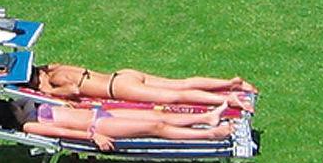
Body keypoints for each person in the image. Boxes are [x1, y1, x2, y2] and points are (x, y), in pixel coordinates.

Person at [11, 92, 237, 152]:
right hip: (98, 126)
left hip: (98, 113)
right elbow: (62, 132)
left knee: (160, 116)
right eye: (15, 109)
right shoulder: (29, 126)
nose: (19, 106)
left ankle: (206, 117)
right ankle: (209, 134)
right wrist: (92, 136)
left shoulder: (31, 108)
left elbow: (18, 94)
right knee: (155, 128)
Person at [33, 63, 253, 105]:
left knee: (176, 97)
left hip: (117, 89)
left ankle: (227, 98)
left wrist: (51, 91)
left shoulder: (53, 79)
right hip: (122, 75)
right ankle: (231, 83)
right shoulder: (54, 67)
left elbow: (73, 89)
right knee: (181, 84)